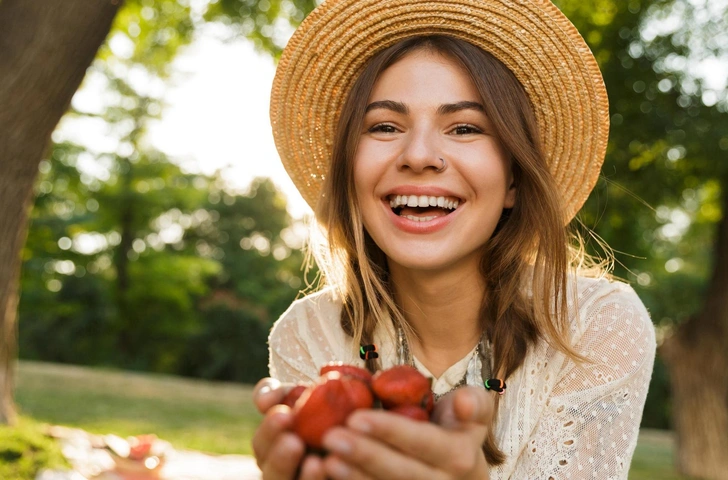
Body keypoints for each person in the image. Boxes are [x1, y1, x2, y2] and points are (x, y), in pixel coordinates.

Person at [252, 0, 656, 478]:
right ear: (349, 174)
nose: (419, 155)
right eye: (384, 126)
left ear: (512, 181)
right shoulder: (307, 334)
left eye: (465, 127)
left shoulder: (595, 326)